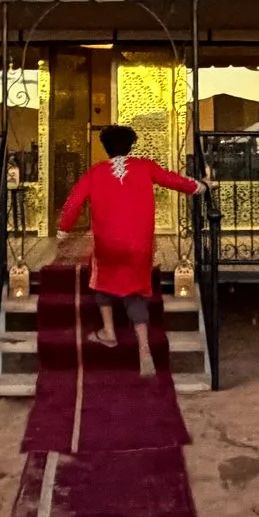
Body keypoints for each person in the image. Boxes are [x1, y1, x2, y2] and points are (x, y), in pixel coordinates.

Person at [56, 124, 204, 377]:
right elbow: (173, 180)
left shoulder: (95, 172)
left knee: (101, 282)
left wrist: (63, 231)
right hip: (140, 245)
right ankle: (144, 350)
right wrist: (199, 186)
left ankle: (109, 333)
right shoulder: (145, 166)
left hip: (108, 245)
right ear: (131, 145)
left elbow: (73, 203)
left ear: (105, 148)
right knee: (136, 292)